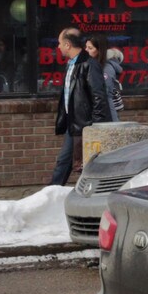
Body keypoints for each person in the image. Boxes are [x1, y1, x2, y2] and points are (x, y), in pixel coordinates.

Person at [49, 28, 101, 186]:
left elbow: (99, 96)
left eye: (59, 43)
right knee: (65, 161)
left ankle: (54, 192)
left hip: (85, 124)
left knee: (81, 164)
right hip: (73, 123)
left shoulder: (89, 65)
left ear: (67, 44)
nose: (58, 47)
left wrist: (97, 126)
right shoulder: (71, 65)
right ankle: (52, 193)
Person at [85, 33, 126, 122]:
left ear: (100, 50)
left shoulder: (107, 68)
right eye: (86, 47)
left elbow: (106, 95)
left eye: (90, 48)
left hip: (104, 115)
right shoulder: (92, 65)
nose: (86, 50)